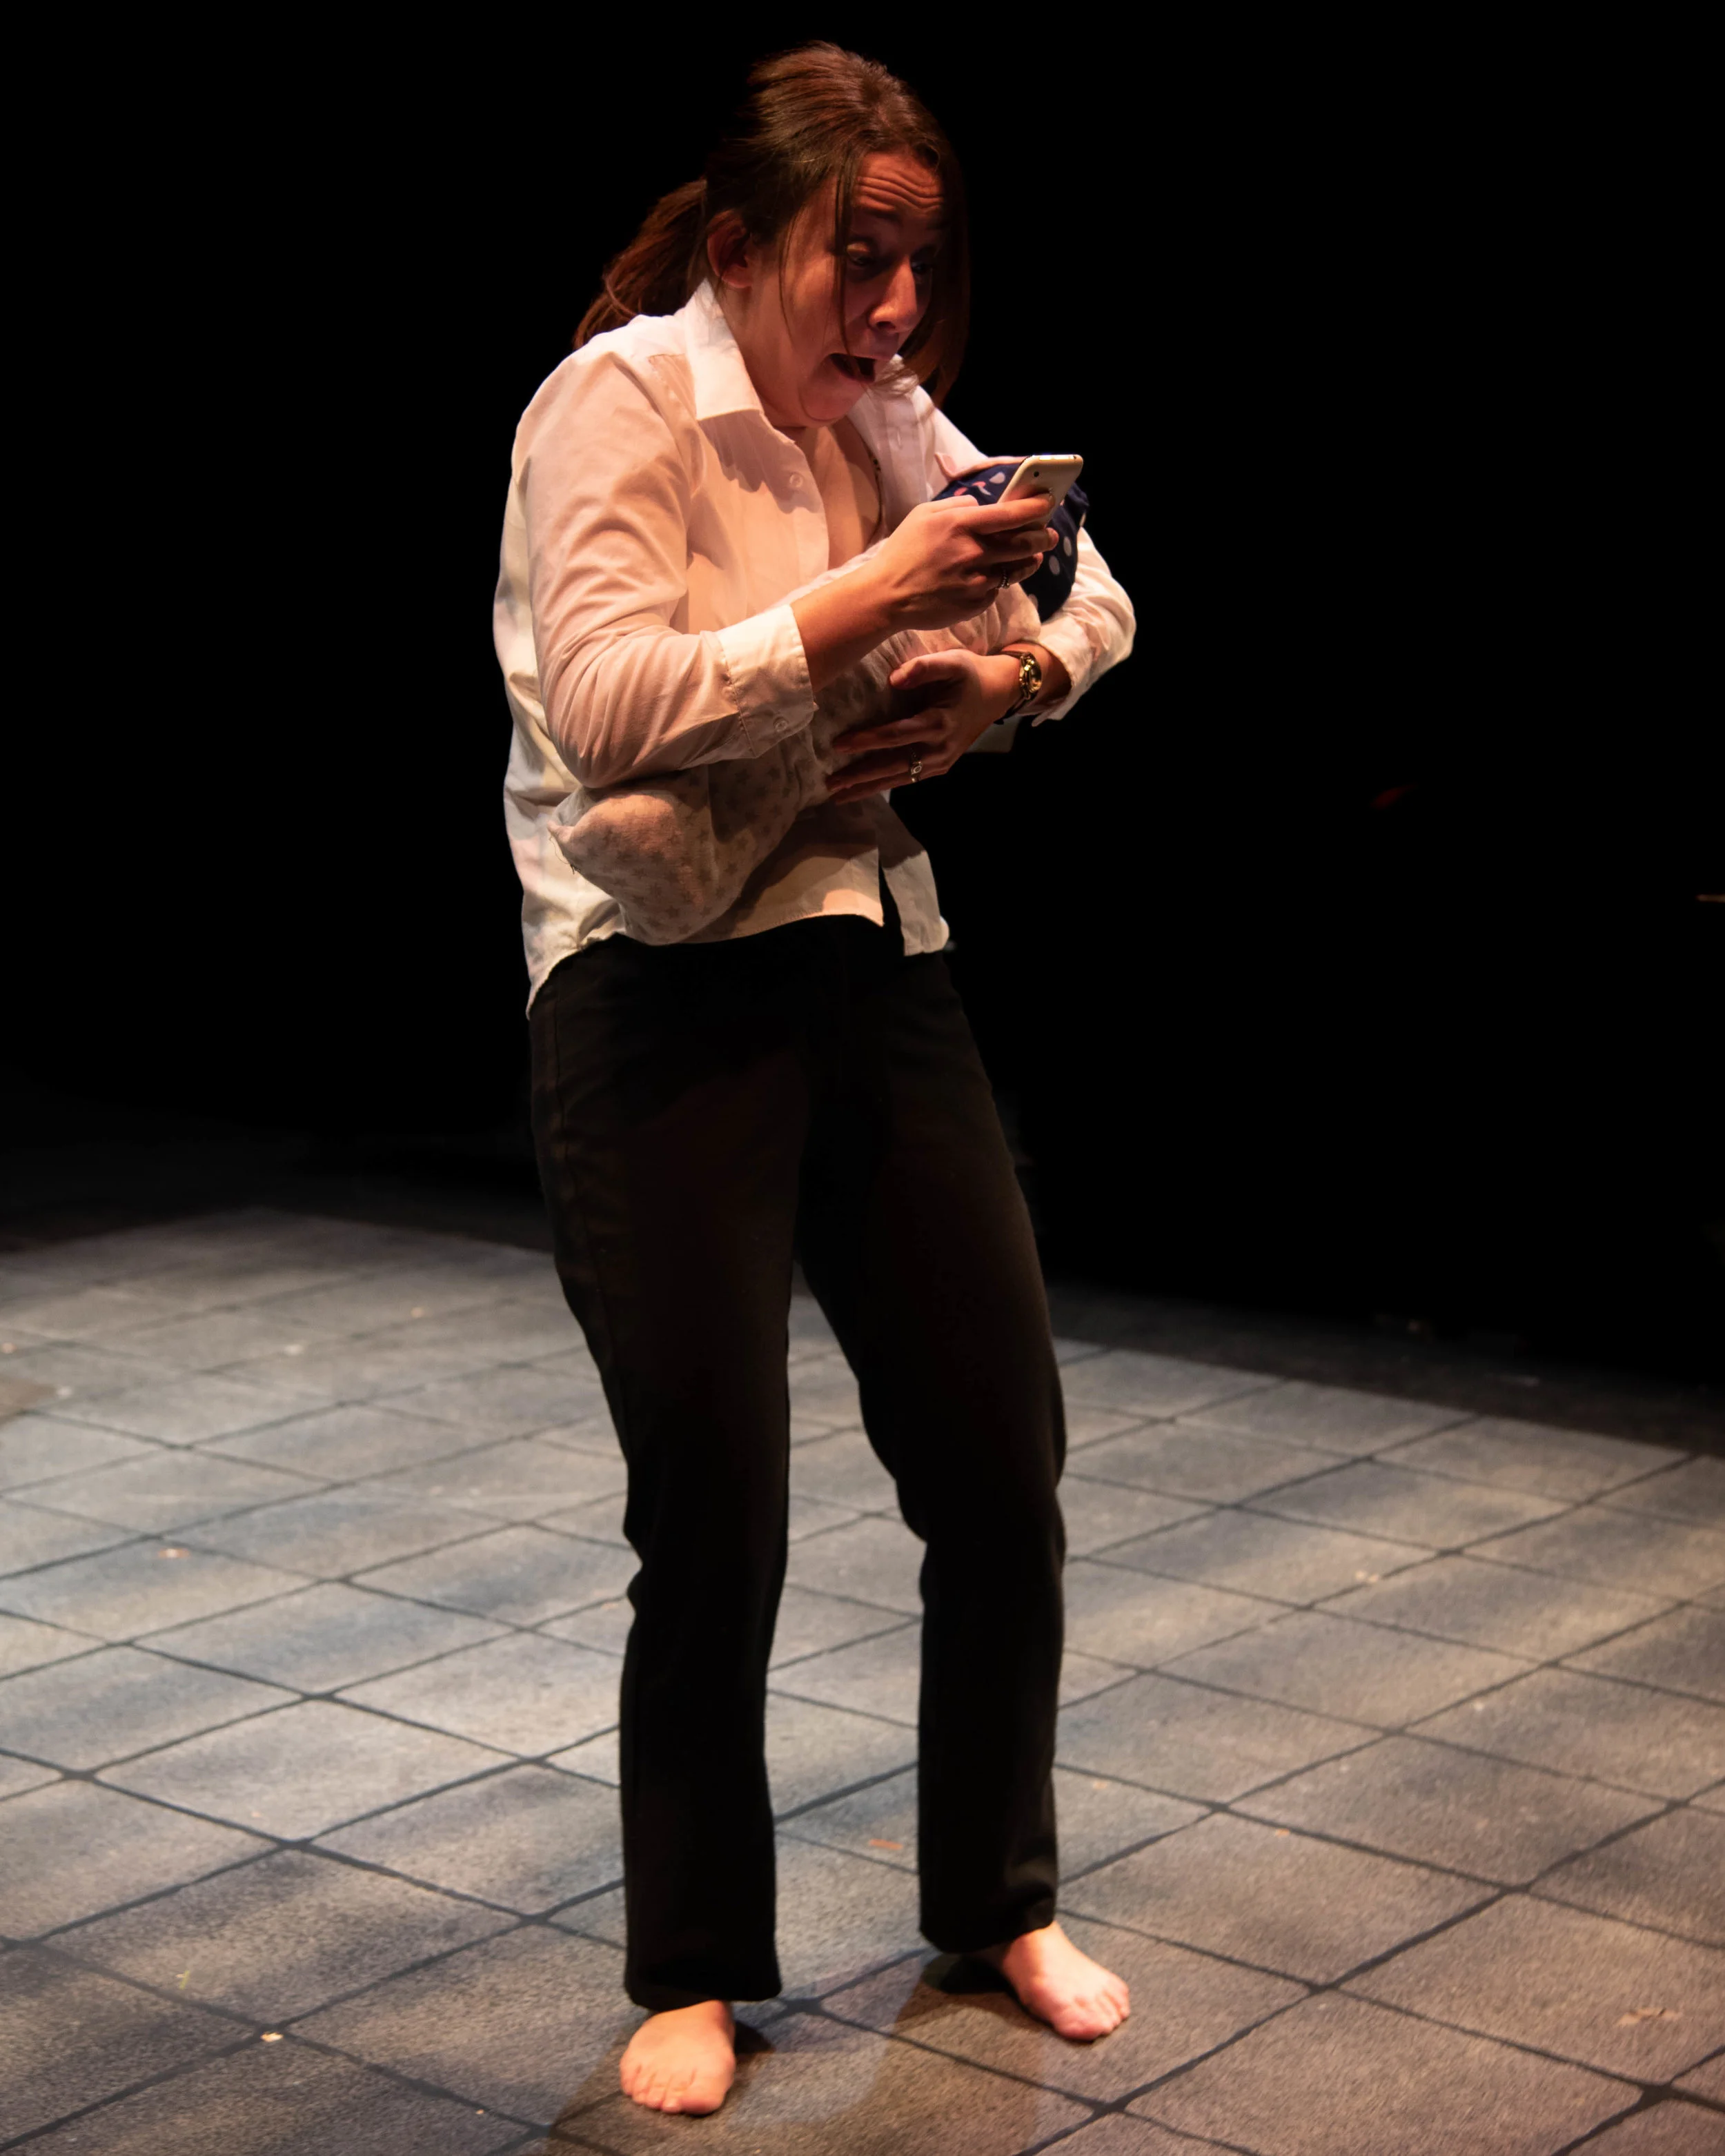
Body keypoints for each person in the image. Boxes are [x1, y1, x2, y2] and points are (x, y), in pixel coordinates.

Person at [495, 41, 1136, 2118]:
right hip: (653, 984)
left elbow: (1094, 586)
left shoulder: (884, 409)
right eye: (861, 260)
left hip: (869, 947)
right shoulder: (614, 405)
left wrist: (1000, 677)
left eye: (919, 266)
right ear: (747, 238)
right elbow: (608, 704)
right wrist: (872, 597)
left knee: (998, 1461)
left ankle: (996, 1898)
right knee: (717, 1505)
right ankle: (693, 1966)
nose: (896, 308)